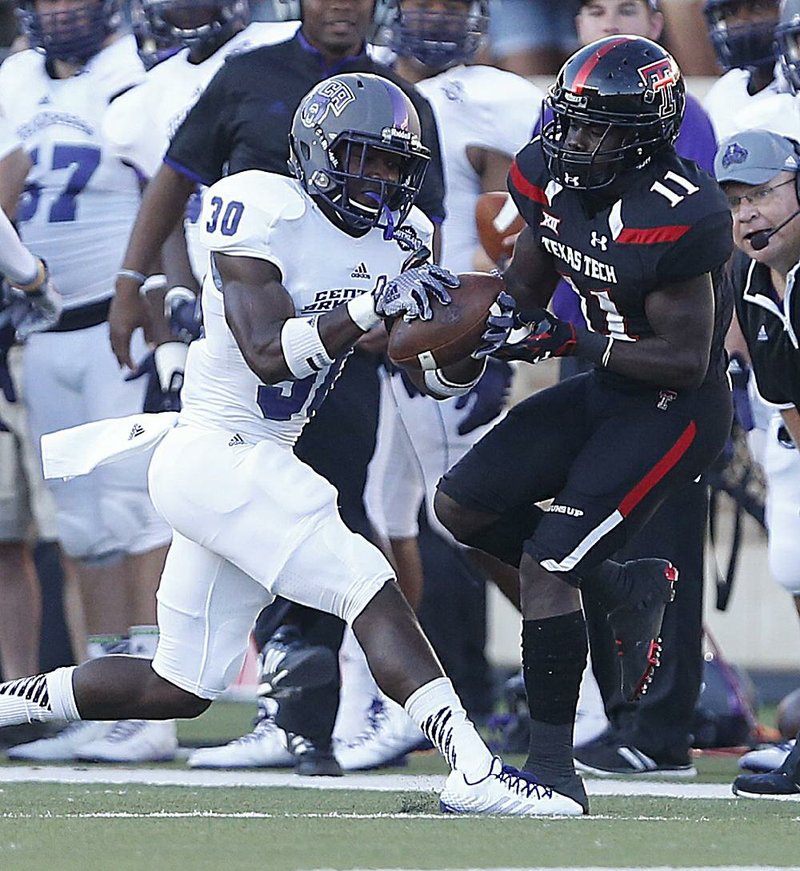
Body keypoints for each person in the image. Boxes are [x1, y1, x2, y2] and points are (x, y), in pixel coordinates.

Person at [0, 73, 585, 817]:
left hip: (255, 453)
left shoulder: (402, 239)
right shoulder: (259, 206)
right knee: (365, 580)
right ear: (313, 151)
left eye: (390, 165)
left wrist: (477, 345)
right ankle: (473, 768)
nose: (375, 179)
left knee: (175, 686)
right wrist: (374, 302)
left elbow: (424, 373)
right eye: (359, 158)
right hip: (218, 447)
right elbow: (268, 352)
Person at [120, 0, 447, 776]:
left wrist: (440, 339)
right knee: (252, 525)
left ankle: (333, 708)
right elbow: (178, 179)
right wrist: (136, 281)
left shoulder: (406, 101)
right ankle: (285, 703)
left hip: (348, 360)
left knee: (341, 517)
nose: (341, 5)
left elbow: (417, 250)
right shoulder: (248, 80)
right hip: (261, 347)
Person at [431, 35, 734, 802]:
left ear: (646, 132)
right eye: (571, 121)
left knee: (547, 562)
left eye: (599, 127)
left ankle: (554, 773)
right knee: (459, 505)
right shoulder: (545, 174)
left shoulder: (684, 211)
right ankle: (619, 584)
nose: (577, 141)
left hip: (674, 404)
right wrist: (471, 344)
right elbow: (524, 285)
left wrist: (570, 338)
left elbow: (684, 360)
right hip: (605, 381)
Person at [333, 0, 541, 771]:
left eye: (452, 3)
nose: (435, 16)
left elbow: (503, 224)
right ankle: (388, 701)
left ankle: (585, 673)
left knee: (465, 516)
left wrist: (479, 337)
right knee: (381, 516)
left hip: (444, 332)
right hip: (380, 323)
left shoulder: (490, 96)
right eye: (422, 0)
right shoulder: (366, 89)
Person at [0, 0, 176, 763]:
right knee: (80, 526)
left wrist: (161, 312)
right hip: (41, 329)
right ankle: (108, 697)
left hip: (117, 322)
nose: (61, 11)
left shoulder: (139, 71)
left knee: (134, 511)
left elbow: (170, 196)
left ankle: (152, 699)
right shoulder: (13, 78)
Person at [551, 0, 720, 778]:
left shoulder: (682, 138)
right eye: (595, 6)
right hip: (585, 349)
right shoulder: (567, 107)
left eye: (628, 6)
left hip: (656, 360)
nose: (582, 138)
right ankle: (606, 708)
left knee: (663, 543)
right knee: (578, 531)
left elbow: (681, 270)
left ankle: (658, 727)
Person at [713, 128, 800, 799]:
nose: (748, 215)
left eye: (763, 194)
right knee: (793, 562)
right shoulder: (747, 273)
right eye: (737, 202)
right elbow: (784, 395)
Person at [703, 0, 783, 143]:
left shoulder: (792, 95)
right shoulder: (722, 91)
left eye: (758, 7)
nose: (740, 22)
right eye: (730, 12)